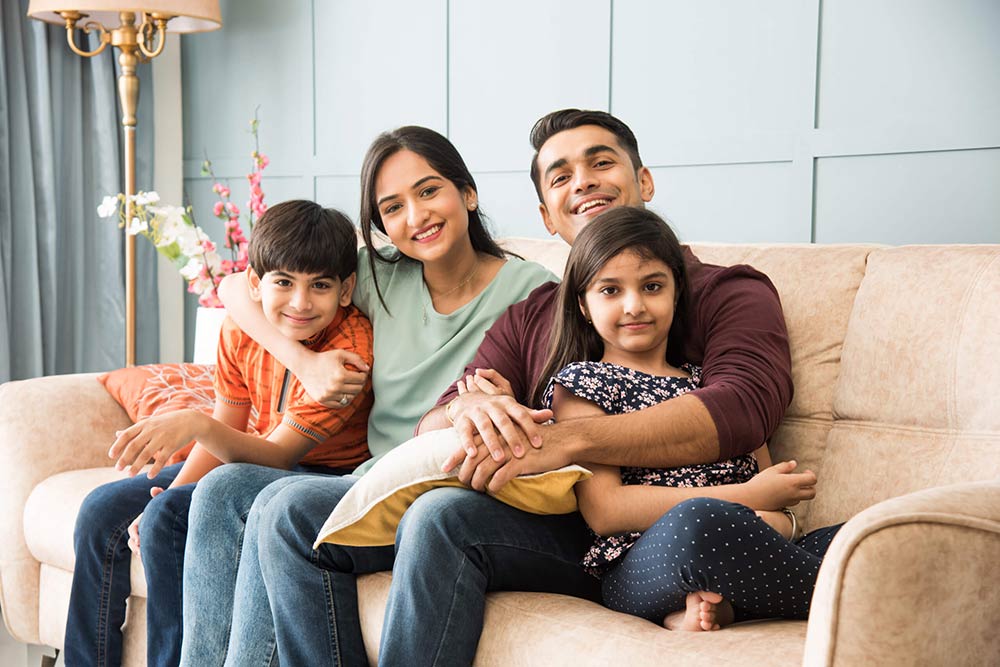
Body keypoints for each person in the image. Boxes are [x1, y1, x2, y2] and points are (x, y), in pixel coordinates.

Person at [210, 108, 797, 665]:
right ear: (546, 216)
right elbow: (437, 416)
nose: (584, 184)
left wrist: (570, 442)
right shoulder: (535, 312)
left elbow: (743, 408)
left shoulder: (728, 291)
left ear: (642, 178)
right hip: (533, 502)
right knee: (285, 508)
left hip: (597, 527)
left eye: (601, 163)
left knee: (442, 517)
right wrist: (468, 408)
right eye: (561, 176)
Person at [175, 126, 555, 665]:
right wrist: (304, 361)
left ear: (467, 193)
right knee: (223, 486)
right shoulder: (378, 275)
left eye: (428, 192)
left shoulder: (531, 289)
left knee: (283, 506)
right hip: (371, 478)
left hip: (445, 481)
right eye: (392, 207)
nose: (416, 216)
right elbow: (239, 286)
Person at [64, 199, 375, 667]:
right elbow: (229, 426)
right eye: (284, 283)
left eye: (320, 286)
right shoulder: (240, 332)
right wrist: (165, 491)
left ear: (346, 289)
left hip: (318, 476)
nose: (300, 302)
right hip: (252, 457)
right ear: (257, 284)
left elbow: (276, 457)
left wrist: (194, 430)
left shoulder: (347, 354)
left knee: (167, 519)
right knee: (101, 509)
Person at [530, 206, 836, 632]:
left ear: (676, 293)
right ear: (582, 304)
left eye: (652, 286)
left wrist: (773, 517)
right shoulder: (583, 384)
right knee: (698, 523)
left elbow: (780, 508)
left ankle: (735, 603)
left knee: (872, 534)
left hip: (743, 542)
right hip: (641, 566)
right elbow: (606, 512)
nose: (634, 305)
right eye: (610, 291)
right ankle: (854, 588)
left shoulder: (711, 389)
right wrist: (747, 498)